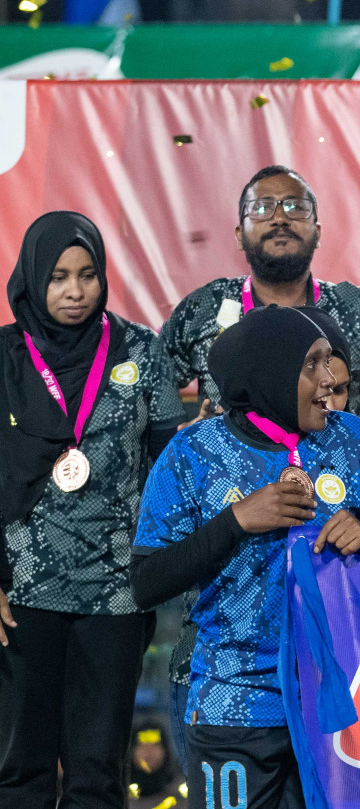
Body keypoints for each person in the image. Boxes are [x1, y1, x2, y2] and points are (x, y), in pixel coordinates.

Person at [131, 305, 360, 809]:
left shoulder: (352, 439)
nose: (329, 378)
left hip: (337, 700)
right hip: (235, 704)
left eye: (329, 362)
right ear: (271, 372)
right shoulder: (194, 452)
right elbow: (146, 582)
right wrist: (235, 522)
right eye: (312, 365)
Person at [0, 211, 185, 809]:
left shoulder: (142, 351)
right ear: (32, 279)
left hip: (116, 593)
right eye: (57, 277)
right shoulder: (3, 357)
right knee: (18, 771)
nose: (75, 291)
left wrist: (151, 572)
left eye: (86, 275)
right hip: (20, 591)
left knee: (96, 775)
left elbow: (163, 475)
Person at [161, 163, 360, 423]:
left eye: (296, 207)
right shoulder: (203, 309)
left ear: (317, 233)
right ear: (240, 235)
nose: (280, 218)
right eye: (262, 208)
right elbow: (151, 388)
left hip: (338, 483)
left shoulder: (354, 311)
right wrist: (182, 437)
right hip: (231, 486)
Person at [128, 718, 185, 809]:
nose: (148, 751)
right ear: (132, 751)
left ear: (165, 751)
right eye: (142, 746)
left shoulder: (184, 794)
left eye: (154, 745)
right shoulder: (119, 794)